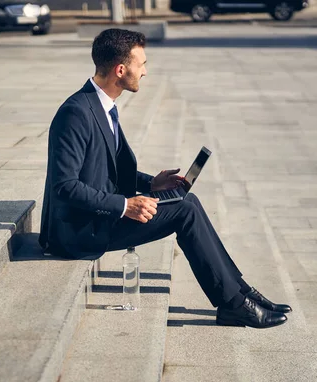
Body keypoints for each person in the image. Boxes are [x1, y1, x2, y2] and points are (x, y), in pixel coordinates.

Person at [39, 28, 291, 329]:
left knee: (187, 199)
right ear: (121, 70)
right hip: (81, 230)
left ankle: (241, 291)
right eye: (141, 64)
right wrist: (125, 206)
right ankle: (235, 304)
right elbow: (64, 187)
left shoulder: (101, 106)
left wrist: (150, 185)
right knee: (184, 212)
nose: (145, 72)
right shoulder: (76, 113)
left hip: (101, 214)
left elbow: (105, 171)